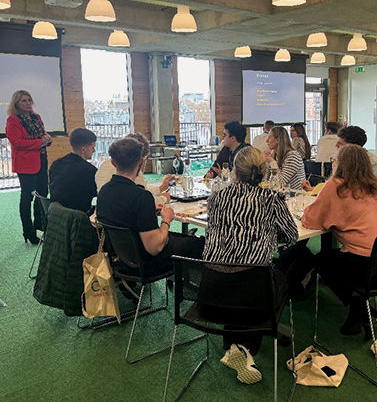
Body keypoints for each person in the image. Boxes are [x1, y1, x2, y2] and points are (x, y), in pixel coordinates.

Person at [201, 146, 298, 384]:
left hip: (210, 294)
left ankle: (233, 344)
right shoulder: (271, 199)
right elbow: (291, 235)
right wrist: (269, 239)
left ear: (234, 171)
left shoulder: (216, 197)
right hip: (250, 294)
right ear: (265, 172)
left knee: (235, 275)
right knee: (279, 280)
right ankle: (246, 347)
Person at [302, 144, 377, 338]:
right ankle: (359, 312)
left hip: (366, 263)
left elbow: (310, 220)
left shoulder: (335, 185)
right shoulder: (373, 186)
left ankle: (363, 312)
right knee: (337, 258)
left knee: (321, 260)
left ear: (340, 163)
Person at [96, 137, 203, 277]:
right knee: (200, 244)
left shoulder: (104, 192)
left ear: (113, 162)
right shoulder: (141, 197)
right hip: (147, 262)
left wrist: (148, 212)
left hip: (122, 258)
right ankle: (195, 292)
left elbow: (125, 215)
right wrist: (166, 220)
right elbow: (155, 247)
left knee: (184, 239)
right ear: (141, 162)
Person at [6, 90, 53, 244]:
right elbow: (17, 143)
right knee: (27, 198)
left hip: (41, 160)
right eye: (23, 101)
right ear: (16, 104)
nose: (27, 103)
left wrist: (47, 139)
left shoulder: (36, 117)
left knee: (42, 194)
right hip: (25, 165)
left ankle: (40, 225)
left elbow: (43, 135)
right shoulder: (13, 120)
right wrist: (41, 142)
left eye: (29, 100)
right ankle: (28, 232)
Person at [49, 128, 98, 214]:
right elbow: (99, 193)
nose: (94, 150)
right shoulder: (90, 171)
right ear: (83, 150)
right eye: (93, 147)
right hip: (78, 220)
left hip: (56, 218)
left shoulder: (56, 164)